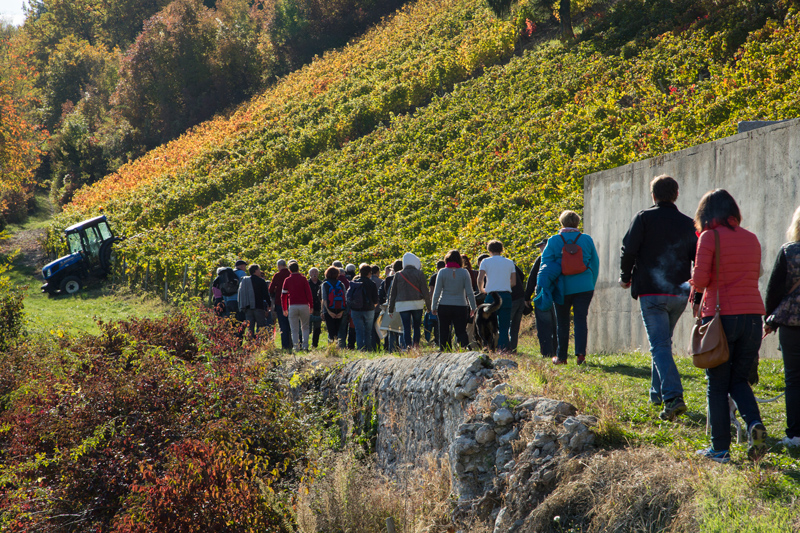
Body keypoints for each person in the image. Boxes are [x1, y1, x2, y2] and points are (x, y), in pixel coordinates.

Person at [692, 189, 766, 463]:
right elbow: (755, 273)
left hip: (722, 318)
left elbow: (700, 279)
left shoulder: (709, 237)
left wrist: (696, 279)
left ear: (706, 214)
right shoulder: (751, 238)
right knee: (739, 380)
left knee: (717, 383)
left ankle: (720, 449)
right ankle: (754, 424)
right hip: (752, 317)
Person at [619, 175, 698, 421]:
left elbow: (629, 250)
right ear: (676, 195)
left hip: (651, 292)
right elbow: (698, 256)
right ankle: (656, 393)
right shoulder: (689, 223)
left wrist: (625, 276)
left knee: (660, 345)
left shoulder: (643, 217)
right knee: (662, 343)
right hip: (679, 293)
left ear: (653, 195)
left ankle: (673, 397)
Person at [537, 211, 599, 365]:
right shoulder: (586, 239)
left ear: (561, 222)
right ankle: (580, 356)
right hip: (585, 286)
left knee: (563, 322)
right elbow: (595, 263)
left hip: (561, 287)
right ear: (578, 223)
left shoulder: (553, 241)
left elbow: (545, 263)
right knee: (580, 320)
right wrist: (591, 282)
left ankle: (562, 357)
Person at [765, 205, 800, 448]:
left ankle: (795, 434)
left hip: (791, 324)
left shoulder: (788, 251)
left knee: (794, 380)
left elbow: (774, 290)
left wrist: (770, 320)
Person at [431, 250, 477, 350]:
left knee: (444, 331)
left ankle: (444, 351)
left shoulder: (442, 272)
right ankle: (465, 350)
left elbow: (437, 292)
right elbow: (470, 292)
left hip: (444, 305)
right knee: (461, 331)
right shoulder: (464, 273)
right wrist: (473, 307)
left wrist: (433, 307)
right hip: (461, 305)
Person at [476, 240, 516, 351]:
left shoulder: (485, 261)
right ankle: (502, 350)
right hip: (506, 296)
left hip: (491, 296)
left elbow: (480, 279)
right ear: (501, 249)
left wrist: (482, 289)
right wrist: (504, 286)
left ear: (489, 250)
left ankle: (489, 348)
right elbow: (513, 282)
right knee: (504, 327)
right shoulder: (509, 262)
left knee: (488, 326)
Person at [388, 252, 431, 350]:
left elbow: (393, 293)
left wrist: (390, 309)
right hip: (417, 303)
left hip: (402, 304)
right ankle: (416, 346)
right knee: (416, 326)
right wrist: (429, 307)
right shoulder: (419, 273)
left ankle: (408, 347)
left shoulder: (398, 275)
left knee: (406, 327)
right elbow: (425, 291)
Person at [525, 238, 557, 358]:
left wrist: (527, 297)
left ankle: (547, 352)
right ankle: (558, 351)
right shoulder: (560, 257)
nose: (540, 248)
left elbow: (532, 278)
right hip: (559, 295)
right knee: (557, 325)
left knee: (544, 326)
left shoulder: (542, 258)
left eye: (541, 246)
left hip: (543, 295)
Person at [281, 261, 314, 351]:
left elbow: (283, 295)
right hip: (304, 305)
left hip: (292, 306)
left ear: (290, 270)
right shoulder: (303, 279)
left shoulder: (287, 280)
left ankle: (296, 347)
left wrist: (284, 308)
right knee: (305, 327)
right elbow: (309, 294)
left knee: (294, 328)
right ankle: (305, 346)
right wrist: (311, 305)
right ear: (298, 269)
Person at [348, 263, 380, 351]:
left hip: (356, 310)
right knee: (368, 331)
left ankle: (360, 349)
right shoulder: (372, 283)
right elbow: (376, 299)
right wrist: (373, 306)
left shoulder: (354, 283)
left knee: (359, 331)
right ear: (369, 273)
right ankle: (368, 349)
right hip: (369, 310)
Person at [238, 264, 269, 338]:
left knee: (250, 327)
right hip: (259, 307)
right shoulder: (261, 281)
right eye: (258, 270)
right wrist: (269, 305)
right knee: (261, 326)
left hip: (248, 307)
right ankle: (260, 342)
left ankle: (251, 343)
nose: (260, 271)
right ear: (255, 271)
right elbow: (266, 294)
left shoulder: (245, 281)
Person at [379, 259, 404, 351]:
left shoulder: (389, 279)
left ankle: (392, 349)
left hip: (392, 305)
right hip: (403, 305)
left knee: (391, 329)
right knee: (402, 328)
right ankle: (403, 348)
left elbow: (386, 293)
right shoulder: (406, 277)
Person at [270, 259, 293, 350]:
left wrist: (276, 290)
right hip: (291, 302)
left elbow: (271, 289)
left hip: (280, 303)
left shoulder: (277, 275)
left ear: (279, 266)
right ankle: (294, 344)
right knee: (292, 325)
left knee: (283, 325)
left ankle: (285, 346)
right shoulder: (290, 274)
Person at [321, 266, 346, 345]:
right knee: (337, 331)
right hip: (339, 309)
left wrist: (326, 311)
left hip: (329, 309)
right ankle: (337, 346)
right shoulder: (341, 284)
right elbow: (345, 298)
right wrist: (341, 311)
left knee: (331, 331)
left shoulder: (325, 284)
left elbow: (324, 299)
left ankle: (332, 348)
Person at [425, 260, 446, 345]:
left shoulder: (434, 277)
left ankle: (438, 341)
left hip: (437, 301)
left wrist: (430, 305)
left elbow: (432, 292)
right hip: (446, 300)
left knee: (435, 323)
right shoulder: (447, 274)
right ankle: (444, 341)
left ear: (437, 267)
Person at [507, 263, 526, 353]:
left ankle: (505, 348)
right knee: (515, 326)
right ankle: (513, 349)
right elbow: (522, 275)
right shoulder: (510, 263)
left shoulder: (498, 265)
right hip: (521, 296)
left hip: (512, 297)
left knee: (505, 324)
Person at [308, 267, 323, 349]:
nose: (314, 274)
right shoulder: (307, 283)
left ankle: (314, 344)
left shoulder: (321, 284)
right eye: (313, 272)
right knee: (307, 327)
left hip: (318, 308)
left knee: (317, 327)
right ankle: (304, 343)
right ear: (310, 274)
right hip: (308, 308)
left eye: (316, 272)